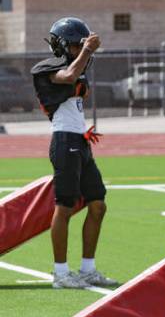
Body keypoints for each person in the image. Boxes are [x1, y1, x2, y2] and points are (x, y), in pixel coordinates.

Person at [31, 17, 117, 290]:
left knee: (98, 204)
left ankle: (88, 269)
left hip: (80, 140)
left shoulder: (76, 62)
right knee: (65, 206)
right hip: (63, 140)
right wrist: (87, 51)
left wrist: (85, 52)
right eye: (73, 46)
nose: (77, 50)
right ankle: (60, 273)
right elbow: (67, 77)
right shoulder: (45, 69)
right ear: (59, 45)